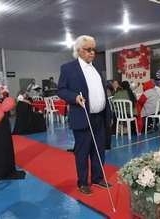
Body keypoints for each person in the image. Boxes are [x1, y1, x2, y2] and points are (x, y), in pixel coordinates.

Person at [57, 35, 111, 196]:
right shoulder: (68, 68)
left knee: (99, 149)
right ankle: (83, 182)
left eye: (94, 49)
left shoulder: (96, 68)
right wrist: (74, 97)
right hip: (83, 117)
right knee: (82, 152)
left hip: (100, 116)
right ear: (79, 50)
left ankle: (97, 177)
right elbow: (61, 90)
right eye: (89, 50)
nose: (92, 53)